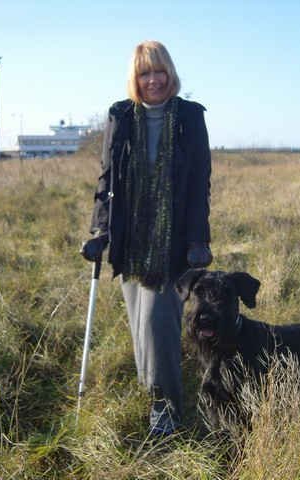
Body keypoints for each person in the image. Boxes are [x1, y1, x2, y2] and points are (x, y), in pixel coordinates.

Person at [81, 40, 212, 435]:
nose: (153, 80)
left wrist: (197, 239)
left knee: (158, 323)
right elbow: (107, 179)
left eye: (159, 71)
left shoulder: (190, 116)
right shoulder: (120, 116)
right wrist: (100, 230)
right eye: (144, 73)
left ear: (170, 74)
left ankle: (168, 408)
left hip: (171, 240)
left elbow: (198, 184)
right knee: (139, 323)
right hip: (130, 236)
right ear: (134, 79)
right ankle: (149, 392)